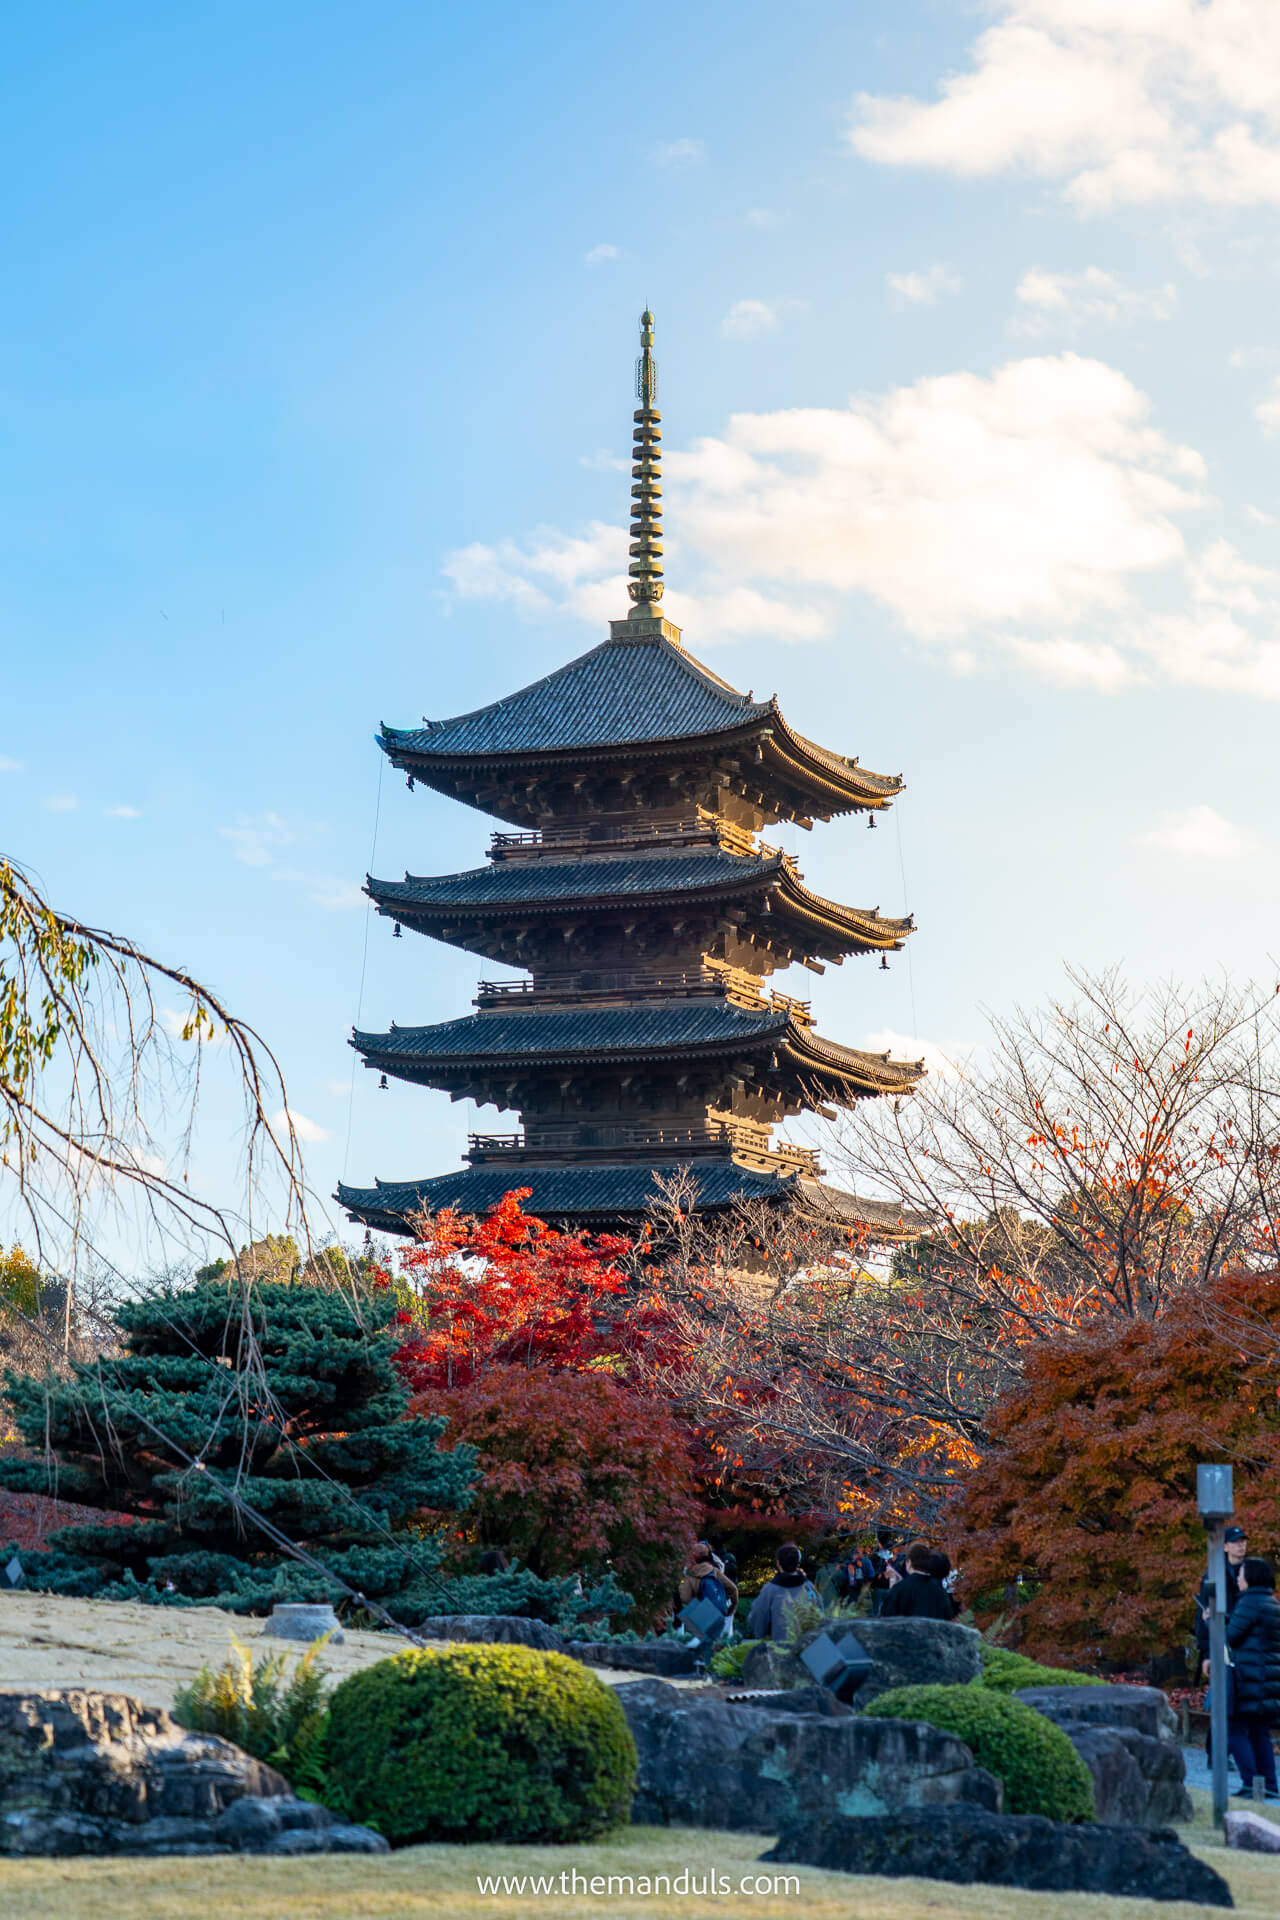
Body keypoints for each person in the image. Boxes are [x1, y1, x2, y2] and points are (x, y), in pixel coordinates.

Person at [1224, 1556, 1280, 1800]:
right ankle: (1269, 1784)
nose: (1238, 1578)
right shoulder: (1271, 1602)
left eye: (1241, 1574)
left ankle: (1250, 1782)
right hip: (1268, 1677)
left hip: (1249, 1676)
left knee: (1235, 1730)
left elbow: (1232, 1636)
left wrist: (1212, 1622)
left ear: (1251, 1577)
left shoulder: (1248, 1603)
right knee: (1260, 1732)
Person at [1197, 1525, 1248, 1678]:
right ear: (1225, 1547)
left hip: (1247, 1644)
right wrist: (1207, 1653)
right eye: (1235, 1542)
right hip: (1223, 1645)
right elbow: (1204, 1614)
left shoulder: (1253, 1571)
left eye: (1243, 1541)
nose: (1241, 1545)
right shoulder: (1213, 1575)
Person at [678, 1541, 738, 1664]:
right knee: (717, 1643)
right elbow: (733, 1589)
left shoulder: (691, 1575)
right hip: (718, 1612)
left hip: (701, 1616)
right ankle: (717, 1665)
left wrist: (700, 1606)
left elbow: (684, 1597)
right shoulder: (715, 1571)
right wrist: (731, 1608)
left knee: (701, 1642)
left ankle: (701, 1664)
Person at [748, 1543, 820, 1640]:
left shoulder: (769, 1590)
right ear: (798, 1563)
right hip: (807, 1646)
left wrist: (762, 1636)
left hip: (779, 1646)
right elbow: (820, 1615)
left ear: (778, 1563)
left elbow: (758, 1617)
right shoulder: (809, 1588)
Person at [878, 1540, 955, 1620]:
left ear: (910, 1562)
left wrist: (893, 1582)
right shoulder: (938, 1590)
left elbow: (887, 1616)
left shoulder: (900, 1588)